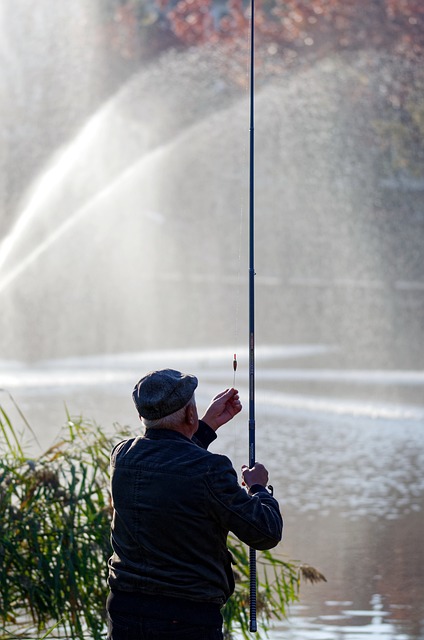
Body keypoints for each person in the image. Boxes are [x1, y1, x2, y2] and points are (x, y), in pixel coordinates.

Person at [107, 368, 283, 640]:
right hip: (187, 621)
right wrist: (259, 488)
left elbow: (172, 463)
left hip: (124, 614)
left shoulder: (123, 457)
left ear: (142, 416)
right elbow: (265, 532)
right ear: (190, 414)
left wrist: (206, 427)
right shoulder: (210, 470)